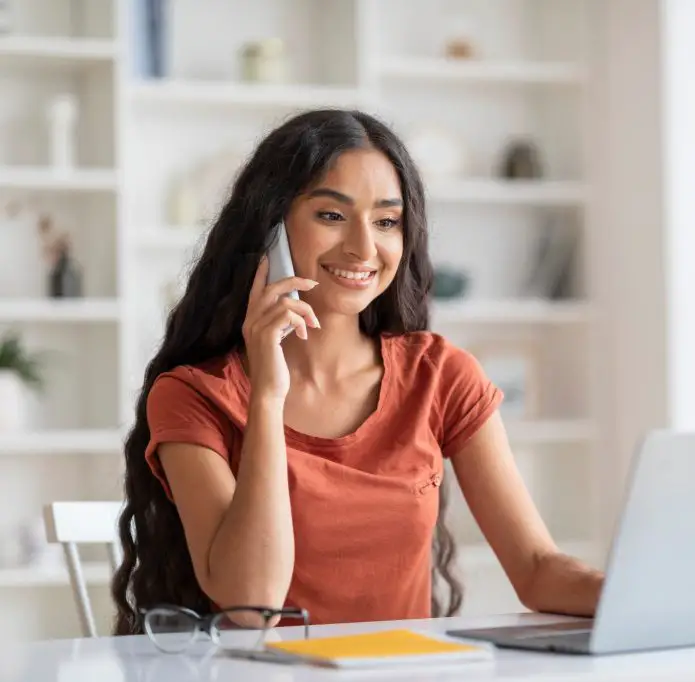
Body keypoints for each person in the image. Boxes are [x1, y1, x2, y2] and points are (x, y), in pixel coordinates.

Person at [110, 109, 604, 635]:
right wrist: (268, 398)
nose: (365, 249)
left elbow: (535, 570)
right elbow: (251, 603)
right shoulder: (194, 396)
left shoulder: (440, 376)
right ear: (270, 229)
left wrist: (653, 593)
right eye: (332, 215)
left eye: (387, 221)